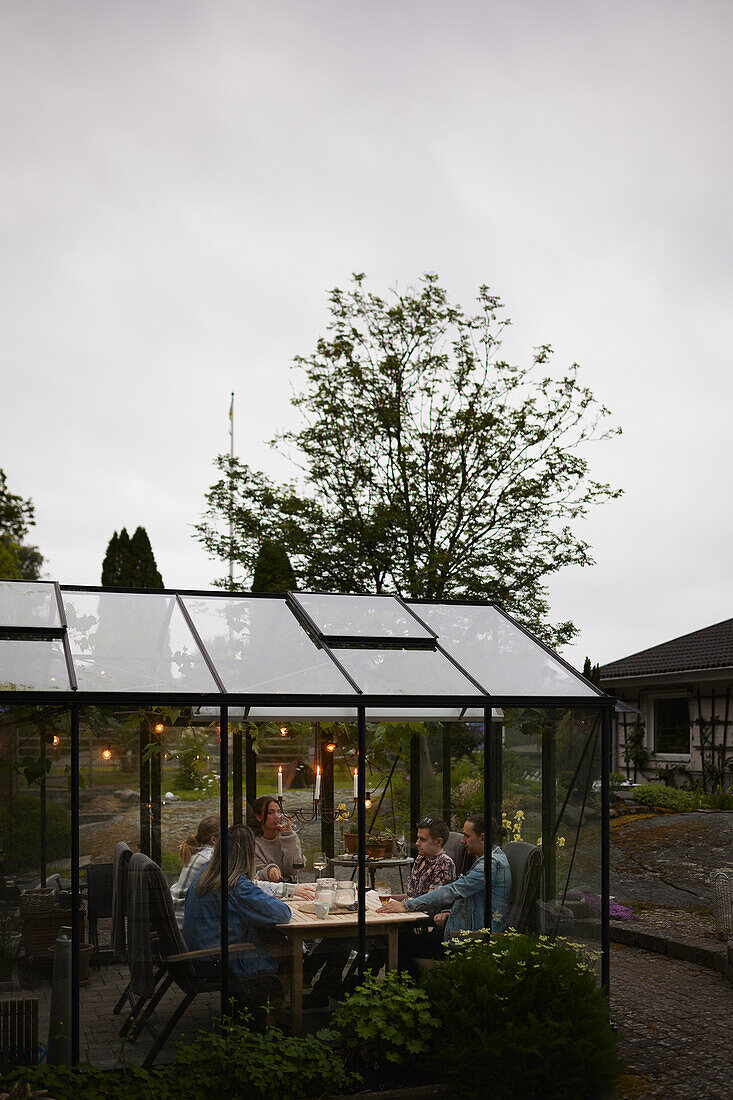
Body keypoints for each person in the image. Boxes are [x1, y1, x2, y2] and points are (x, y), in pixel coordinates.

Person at [380, 814, 512, 966]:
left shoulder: (490, 865)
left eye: (466, 836)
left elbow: (452, 890)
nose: (462, 841)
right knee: (400, 937)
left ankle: (402, 987)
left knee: (400, 940)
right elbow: (477, 901)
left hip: (470, 938)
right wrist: (449, 913)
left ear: (482, 838)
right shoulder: (488, 860)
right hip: (461, 928)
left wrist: (406, 905)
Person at [184, 824, 292, 983]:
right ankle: (266, 1006)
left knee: (271, 937)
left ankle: (253, 1001)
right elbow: (283, 914)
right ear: (248, 853)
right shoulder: (236, 885)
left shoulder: (206, 872)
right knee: (291, 951)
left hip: (198, 955)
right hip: (220, 961)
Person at [170, 814, 219, 929]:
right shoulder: (210, 859)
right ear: (214, 840)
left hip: (176, 918)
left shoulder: (198, 853)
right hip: (186, 925)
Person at [249, 795, 304, 882]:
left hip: (290, 885)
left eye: (279, 812)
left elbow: (293, 870)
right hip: (265, 889)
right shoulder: (253, 842)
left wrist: (288, 836)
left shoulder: (288, 837)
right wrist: (269, 871)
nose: (277, 817)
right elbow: (256, 873)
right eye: (270, 813)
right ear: (259, 817)